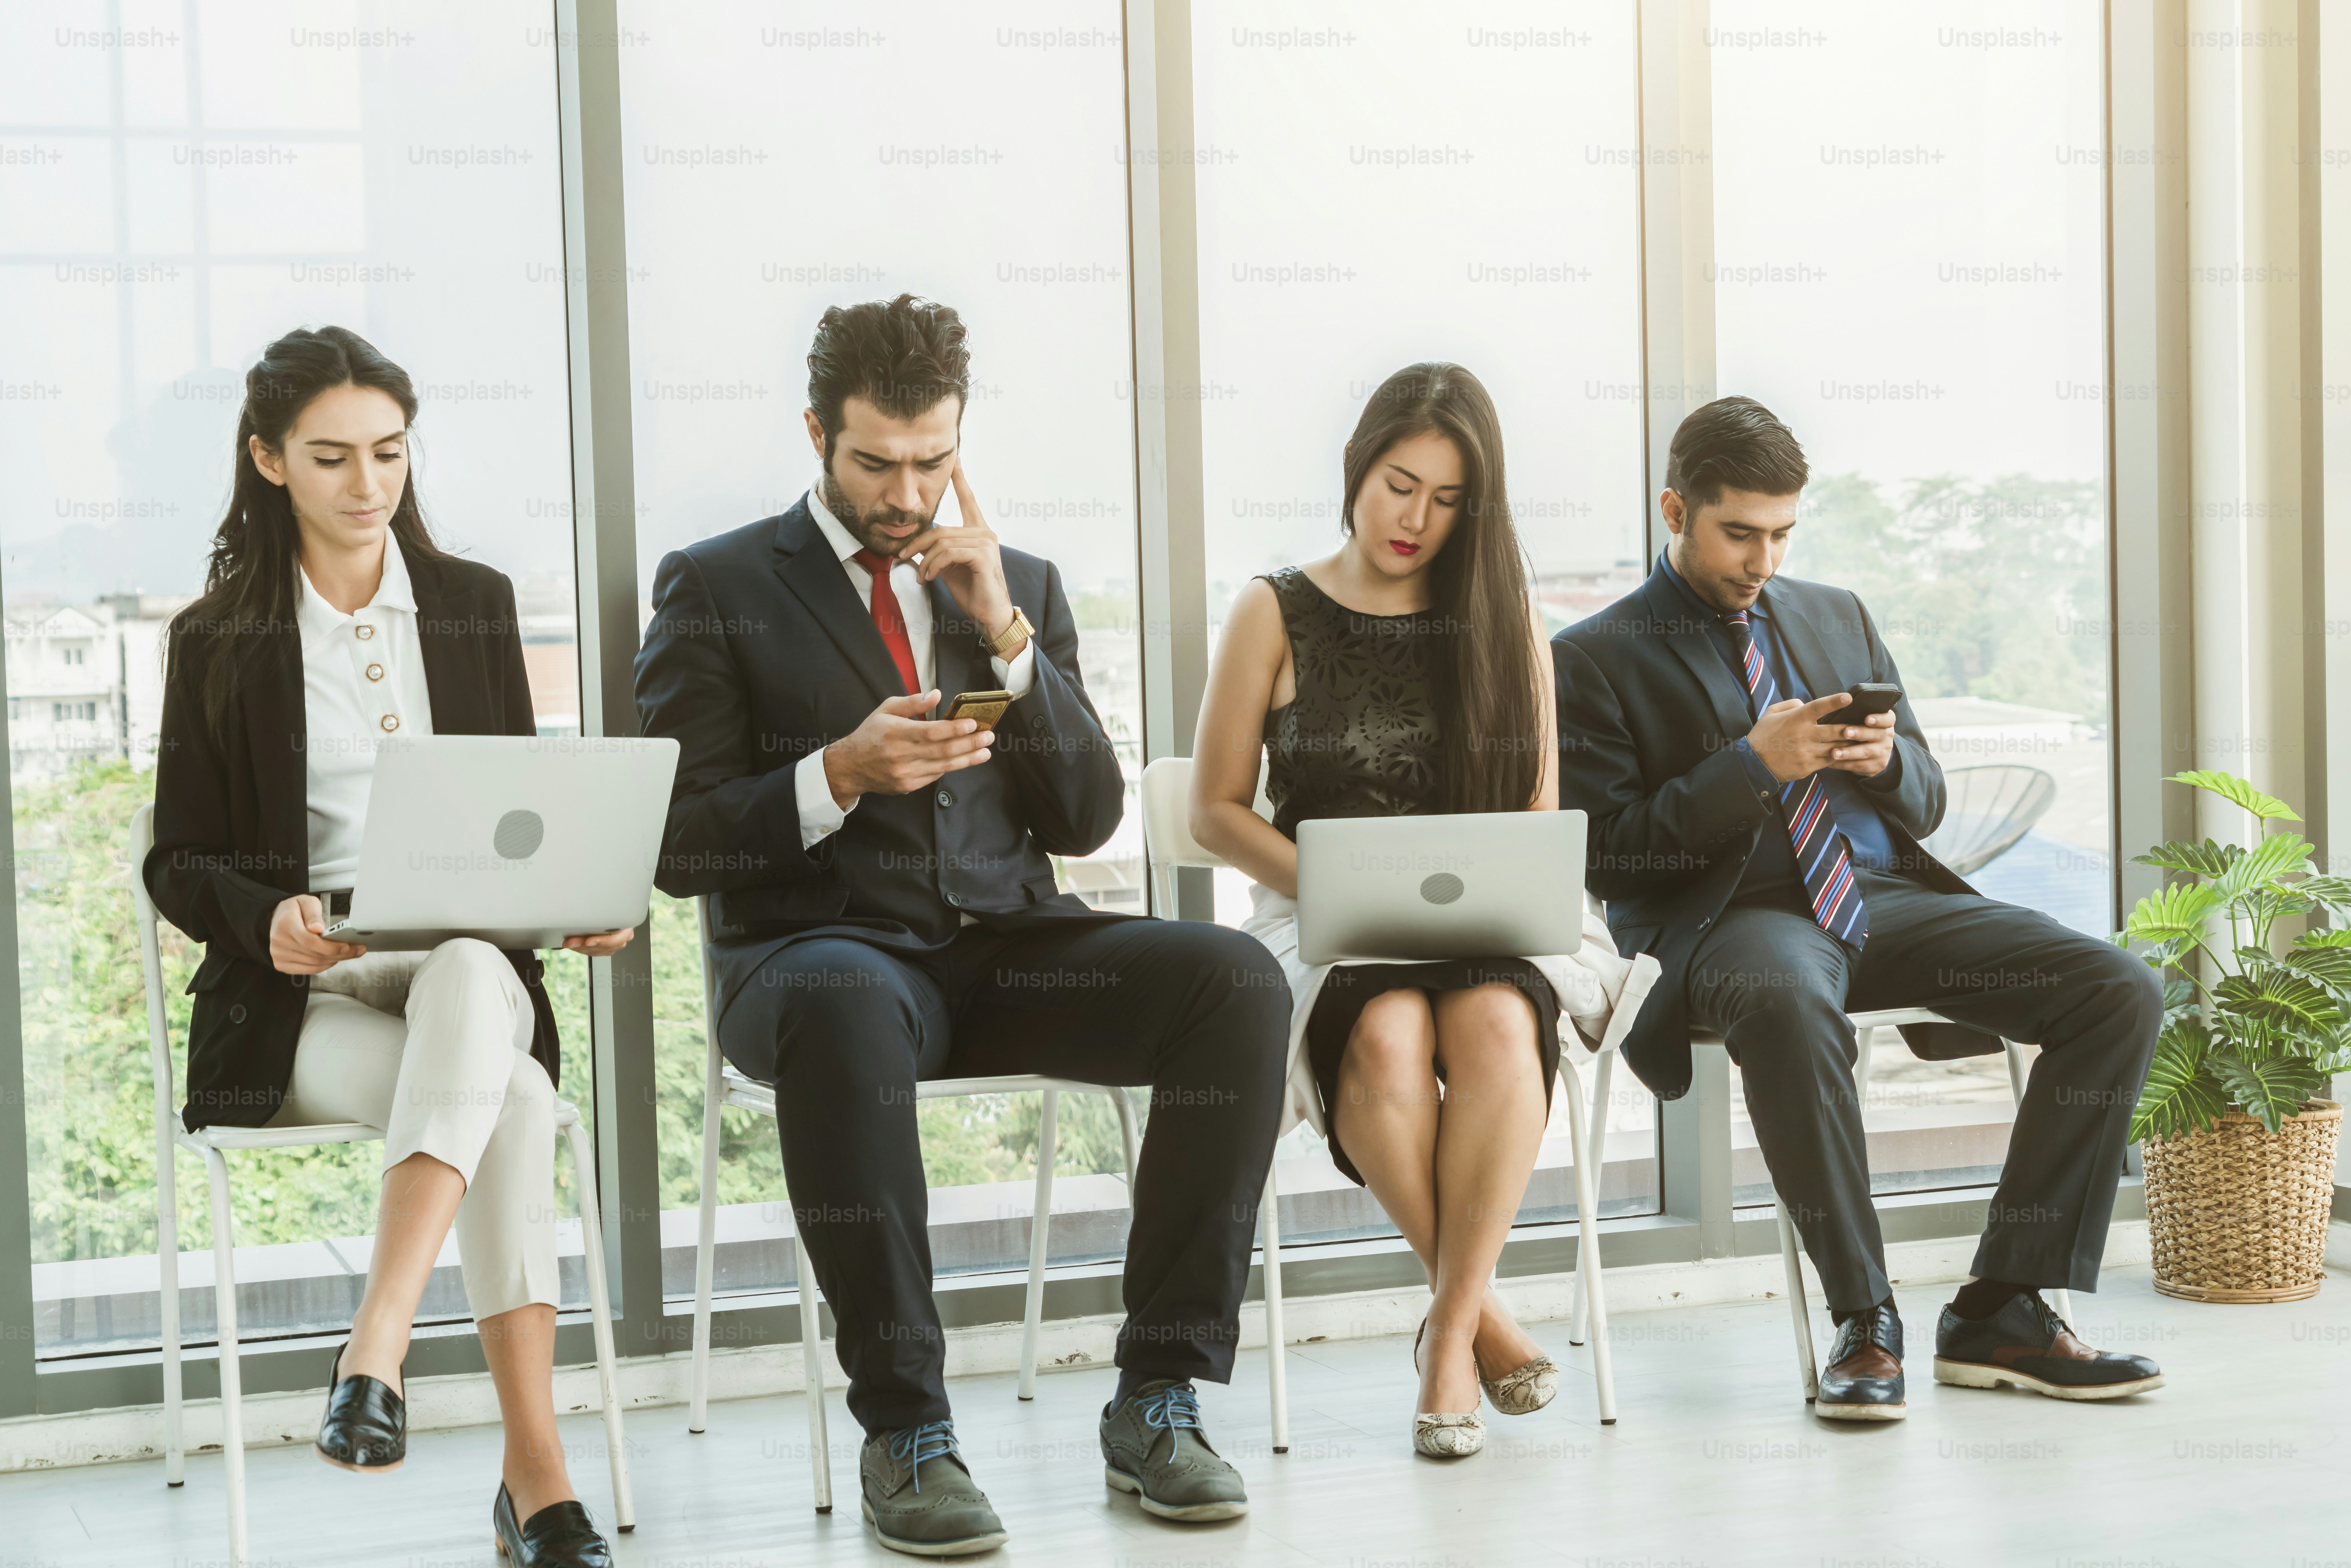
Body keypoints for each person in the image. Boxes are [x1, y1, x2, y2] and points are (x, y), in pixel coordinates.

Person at [632, 294, 1288, 1556]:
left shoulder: (1015, 583)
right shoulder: (716, 585)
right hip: (817, 960)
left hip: (1003, 949)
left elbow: (1089, 812)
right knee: (843, 1003)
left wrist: (1003, 631)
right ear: (817, 434)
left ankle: (1157, 1395)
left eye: (933, 461)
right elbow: (677, 843)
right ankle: (907, 1431)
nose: (906, 491)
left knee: (1238, 981)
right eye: (876, 461)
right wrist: (836, 775)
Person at [1552, 395, 2166, 1421]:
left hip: (1877, 899)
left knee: (2117, 986)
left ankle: (2004, 1305)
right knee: (1790, 1000)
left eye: (1783, 533)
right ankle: (1864, 1319)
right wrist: (1751, 767)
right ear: (1675, 509)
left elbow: (1928, 800)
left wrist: (1889, 765)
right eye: (1739, 532)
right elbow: (1614, 859)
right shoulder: (1596, 655)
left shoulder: (1836, 614)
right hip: (1732, 921)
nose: (1764, 559)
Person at [145, 326, 631, 1566]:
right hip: (304, 1000)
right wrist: (264, 917)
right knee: (511, 1106)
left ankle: (377, 1347)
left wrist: (581, 892)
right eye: (330, 459)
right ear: (267, 463)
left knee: (474, 970)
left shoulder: (472, 606)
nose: (368, 487)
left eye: (389, 454)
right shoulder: (218, 635)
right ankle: (538, 1488)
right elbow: (177, 858)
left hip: (461, 965)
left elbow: (523, 816)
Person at [1190, 363, 1658, 1458]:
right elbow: (1215, 814)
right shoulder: (1274, 609)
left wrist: (1466, 895)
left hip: (1491, 921)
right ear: (1357, 468)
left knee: (1498, 1026)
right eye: (1402, 485)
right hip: (1326, 917)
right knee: (1391, 1038)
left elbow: (1539, 816)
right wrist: (1344, 888)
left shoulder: (1506, 623)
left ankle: (1445, 1333)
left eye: (1449, 501)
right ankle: (1484, 1320)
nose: (1417, 520)